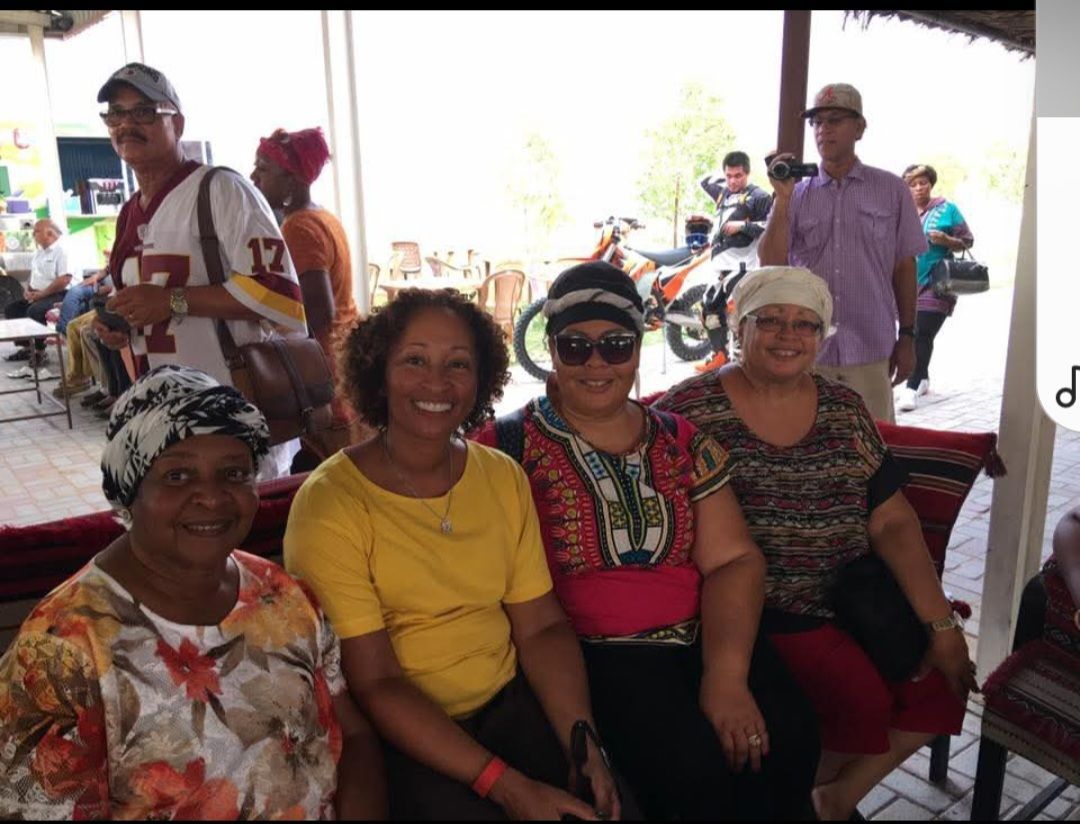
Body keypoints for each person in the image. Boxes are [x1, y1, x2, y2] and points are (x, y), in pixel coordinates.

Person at [473, 260, 819, 820]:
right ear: (550, 352)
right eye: (575, 346)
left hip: (704, 635)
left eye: (615, 345)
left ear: (637, 347)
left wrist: (725, 677)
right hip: (594, 653)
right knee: (690, 774)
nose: (596, 363)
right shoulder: (504, 449)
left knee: (793, 737)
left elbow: (734, 559)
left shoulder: (680, 440)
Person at [654, 266, 978, 820]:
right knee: (864, 703)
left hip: (858, 598)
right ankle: (786, 792)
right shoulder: (687, 411)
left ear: (823, 334)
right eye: (772, 320)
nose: (788, 335)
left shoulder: (843, 407)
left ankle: (831, 798)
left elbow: (892, 522)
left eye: (806, 324)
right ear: (739, 326)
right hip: (763, 613)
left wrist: (942, 624)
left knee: (943, 687)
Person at [284, 289, 620, 820]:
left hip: (511, 705)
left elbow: (539, 627)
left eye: (457, 364)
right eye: (414, 360)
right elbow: (376, 682)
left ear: (481, 377)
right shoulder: (330, 505)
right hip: (405, 735)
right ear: (378, 371)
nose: (436, 383)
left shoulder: (501, 477)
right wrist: (509, 787)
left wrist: (584, 742)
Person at [0, 364, 385, 820]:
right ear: (129, 489)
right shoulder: (62, 648)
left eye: (233, 473)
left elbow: (354, 734)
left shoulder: (281, 596)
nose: (212, 496)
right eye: (178, 477)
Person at [92, 62, 308, 478]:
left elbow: (278, 293)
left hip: (233, 413)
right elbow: (144, 309)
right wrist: (121, 325)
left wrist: (171, 301)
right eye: (115, 114)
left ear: (179, 123)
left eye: (144, 112)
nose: (126, 124)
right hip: (160, 420)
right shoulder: (128, 213)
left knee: (247, 531)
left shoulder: (222, 190)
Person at [758, 82, 927, 423]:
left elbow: (904, 267)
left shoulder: (890, 189)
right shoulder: (796, 192)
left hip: (871, 347)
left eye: (835, 120)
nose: (824, 130)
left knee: (873, 447)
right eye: (817, 122)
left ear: (860, 128)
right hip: (806, 349)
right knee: (805, 445)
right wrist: (783, 200)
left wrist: (908, 336)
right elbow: (771, 262)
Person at [251, 127, 365, 456]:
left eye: (263, 169)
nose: (254, 178)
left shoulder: (298, 227)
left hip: (326, 365)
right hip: (343, 353)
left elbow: (317, 313)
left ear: (293, 180)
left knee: (331, 465)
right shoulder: (322, 216)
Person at [897, 164, 975, 412]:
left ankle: (910, 389)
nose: (919, 188)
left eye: (923, 183)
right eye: (913, 184)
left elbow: (967, 241)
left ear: (931, 184)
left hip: (937, 283)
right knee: (915, 331)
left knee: (921, 332)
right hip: (907, 283)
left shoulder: (947, 209)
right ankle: (923, 378)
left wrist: (947, 240)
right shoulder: (901, 210)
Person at [4, 219, 74, 377]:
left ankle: (40, 351)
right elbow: (35, 275)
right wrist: (28, 291)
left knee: (34, 311)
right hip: (39, 293)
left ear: (49, 233)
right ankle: (27, 348)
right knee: (12, 309)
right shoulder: (39, 252)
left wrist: (41, 295)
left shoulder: (62, 250)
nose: (33, 235)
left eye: (36, 231)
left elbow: (64, 280)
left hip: (59, 294)